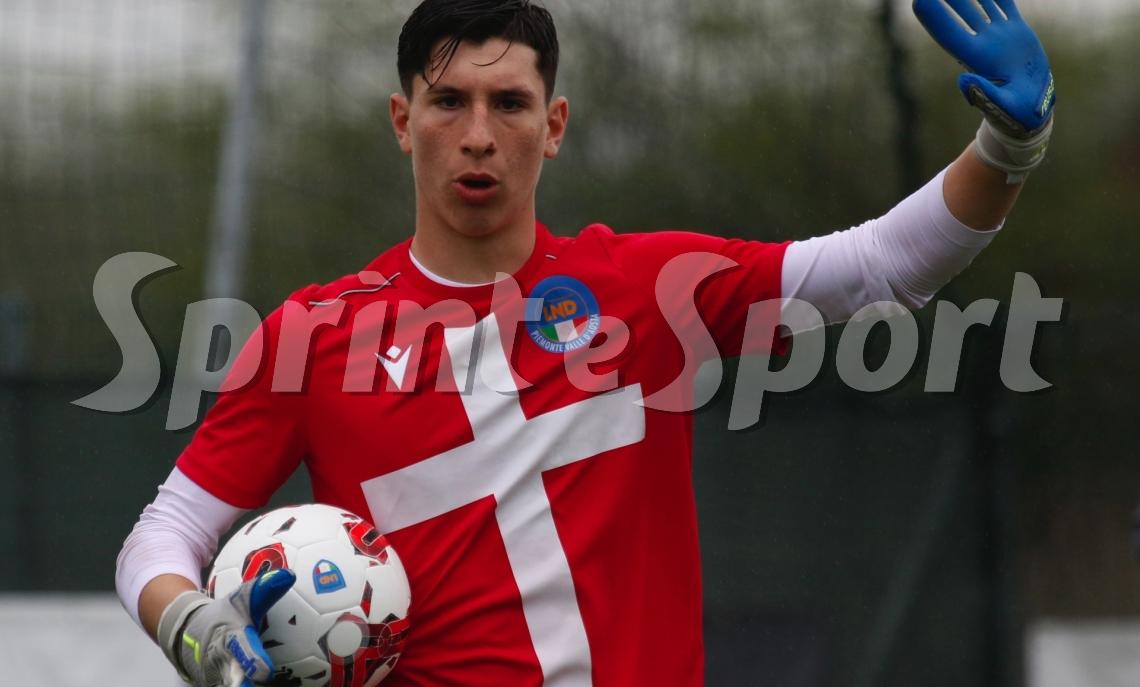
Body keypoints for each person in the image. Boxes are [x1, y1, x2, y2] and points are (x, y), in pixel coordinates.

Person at [115, 0, 1057, 685]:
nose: (478, 134)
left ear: (553, 125)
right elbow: (162, 537)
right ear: (404, 123)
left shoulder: (648, 291)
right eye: (449, 102)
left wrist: (1010, 145)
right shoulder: (312, 339)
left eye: (511, 104)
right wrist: (201, 633)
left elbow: (882, 264)